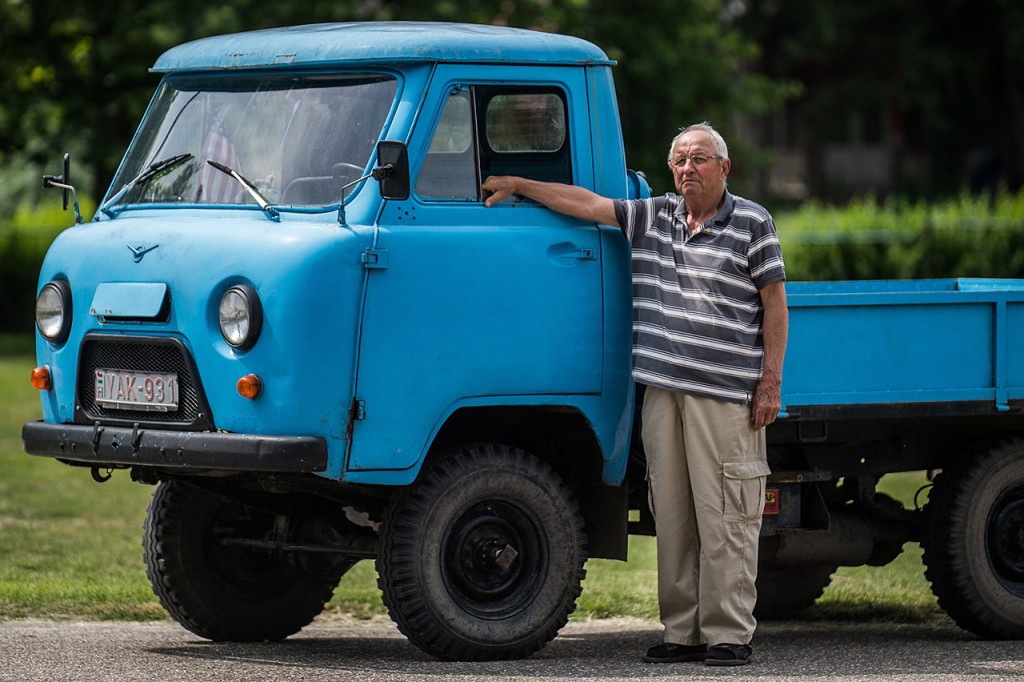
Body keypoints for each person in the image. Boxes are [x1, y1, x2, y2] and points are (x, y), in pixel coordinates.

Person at [482, 122, 787, 667]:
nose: (686, 169)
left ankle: (728, 636)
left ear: (725, 166)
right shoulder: (655, 215)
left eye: (697, 159)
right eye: (678, 161)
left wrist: (770, 383)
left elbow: (775, 304)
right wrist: (522, 184)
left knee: (726, 517)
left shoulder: (752, 221)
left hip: (722, 394)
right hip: (662, 392)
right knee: (672, 515)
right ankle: (681, 635)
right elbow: (588, 204)